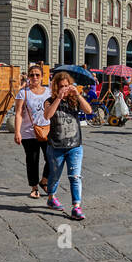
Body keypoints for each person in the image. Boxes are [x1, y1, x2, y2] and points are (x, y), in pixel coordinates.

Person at [42, 70, 92, 220]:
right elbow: (47, 116)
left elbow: (89, 110)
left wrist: (77, 94)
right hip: (56, 146)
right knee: (55, 176)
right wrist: (58, 98)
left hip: (75, 145)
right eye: (61, 86)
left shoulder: (74, 100)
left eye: (67, 85)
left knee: (75, 176)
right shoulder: (50, 101)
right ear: (56, 87)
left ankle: (76, 206)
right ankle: (51, 197)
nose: (64, 88)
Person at [14, 65, 51, 197]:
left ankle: (45, 181)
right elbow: (18, 113)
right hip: (29, 132)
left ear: (42, 77)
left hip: (47, 130)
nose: (34, 77)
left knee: (52, 158)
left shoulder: (49, 92)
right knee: (32, 160)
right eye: (32, 75)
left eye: (37, 75)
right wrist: (17, 132)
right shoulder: (23, 92)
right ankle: (34, 187)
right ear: (28, 77)